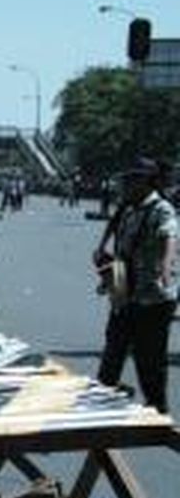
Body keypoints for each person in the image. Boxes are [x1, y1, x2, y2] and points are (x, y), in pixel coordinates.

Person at [95, 159, 178, 413]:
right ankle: (102, 400)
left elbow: (169, 236)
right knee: (113, 351)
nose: (127, 184)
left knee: (149, 359)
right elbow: (121, 246)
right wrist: (104, 262)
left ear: (146, 181)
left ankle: (158, 409)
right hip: (124, 293)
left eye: (133, 179)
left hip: (153, 296)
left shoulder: (160, 208)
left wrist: (165, 265)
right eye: (127, 179)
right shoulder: (130, 209)